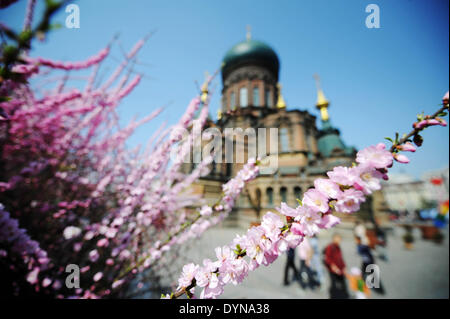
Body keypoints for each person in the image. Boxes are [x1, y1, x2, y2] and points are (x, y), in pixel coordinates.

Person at [324, 233, 349, 299]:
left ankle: (344, 295)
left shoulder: (338, 247)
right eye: (338, 239)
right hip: (333, 270)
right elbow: (327, 259)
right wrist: (333, 266)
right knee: (334, 284)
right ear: (334, 239)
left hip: (340, 269)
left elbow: (340, 258)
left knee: (343, 284)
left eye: (340, 239)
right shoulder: (330, 247)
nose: (339, 240)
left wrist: (344, 267)